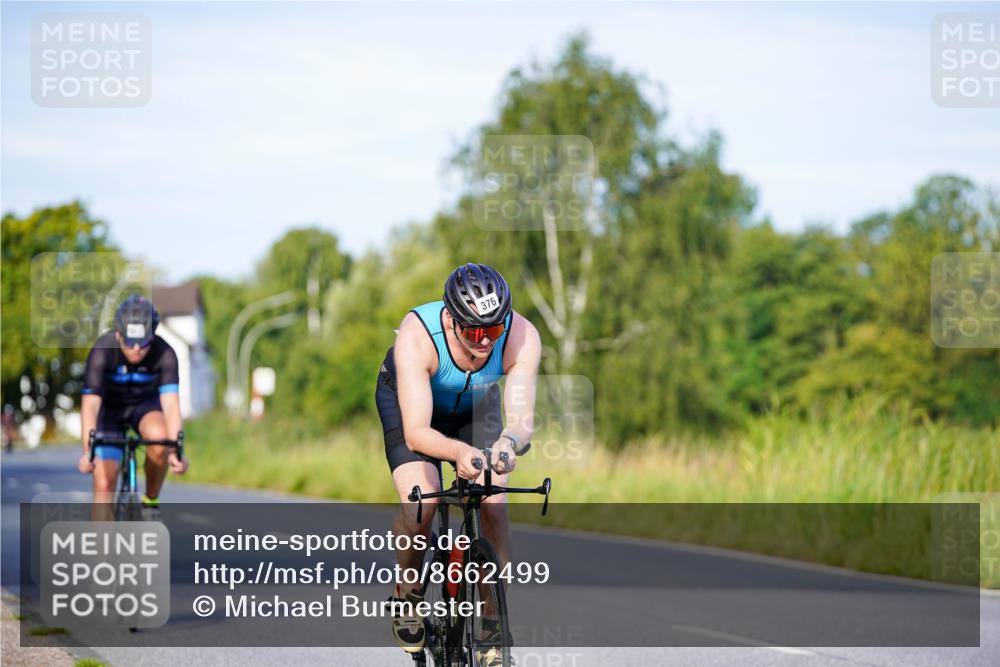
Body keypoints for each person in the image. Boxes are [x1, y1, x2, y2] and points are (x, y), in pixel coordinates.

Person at [376, 263, 541, 662]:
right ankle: (408, 592)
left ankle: (490, 625)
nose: (485, 342)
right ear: (451, 320)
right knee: (423, 503)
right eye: (473, 332)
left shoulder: (522, 335)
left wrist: (506, 444)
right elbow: (416, 432)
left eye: (494, 330)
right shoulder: (420, 335)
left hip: (476, 407)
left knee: (495, 505)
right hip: (415, 410)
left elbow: (522, 421)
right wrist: (459, 453)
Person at [77, 295, 188, 517]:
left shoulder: (165, 353)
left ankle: (151, 501)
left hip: (144, 407)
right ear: (118, 334)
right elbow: (90, 405)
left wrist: (176, 450)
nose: (136, 348)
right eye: (129, 341)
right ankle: (102, 549)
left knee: (160, 438)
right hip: (109, 410)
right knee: (104, 482)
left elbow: (171, 406)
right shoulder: (102, 350)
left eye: (144, 342)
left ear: (153, 336)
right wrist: (88, 453)